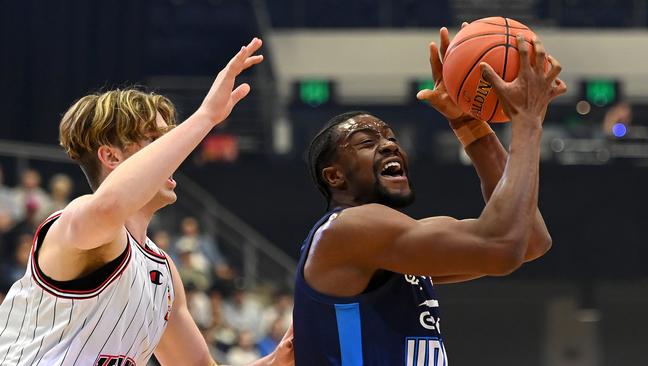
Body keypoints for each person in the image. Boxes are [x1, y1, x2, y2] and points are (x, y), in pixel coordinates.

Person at [0, 38, 293, 366]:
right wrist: (206, 117)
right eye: (155, 140)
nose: (171, 151)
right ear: (110, 156)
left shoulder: (163, 272)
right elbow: (109, 206)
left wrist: (275, 362)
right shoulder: (76, 219)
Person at [293, 28, 566, 365]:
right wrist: (526, 122)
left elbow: (529, 242)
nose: (390, 145)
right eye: (367, 142)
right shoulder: (348, 229)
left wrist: (470, 124)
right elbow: (504, 245)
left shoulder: (386, 252)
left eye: (391, 138)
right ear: (335, 176)